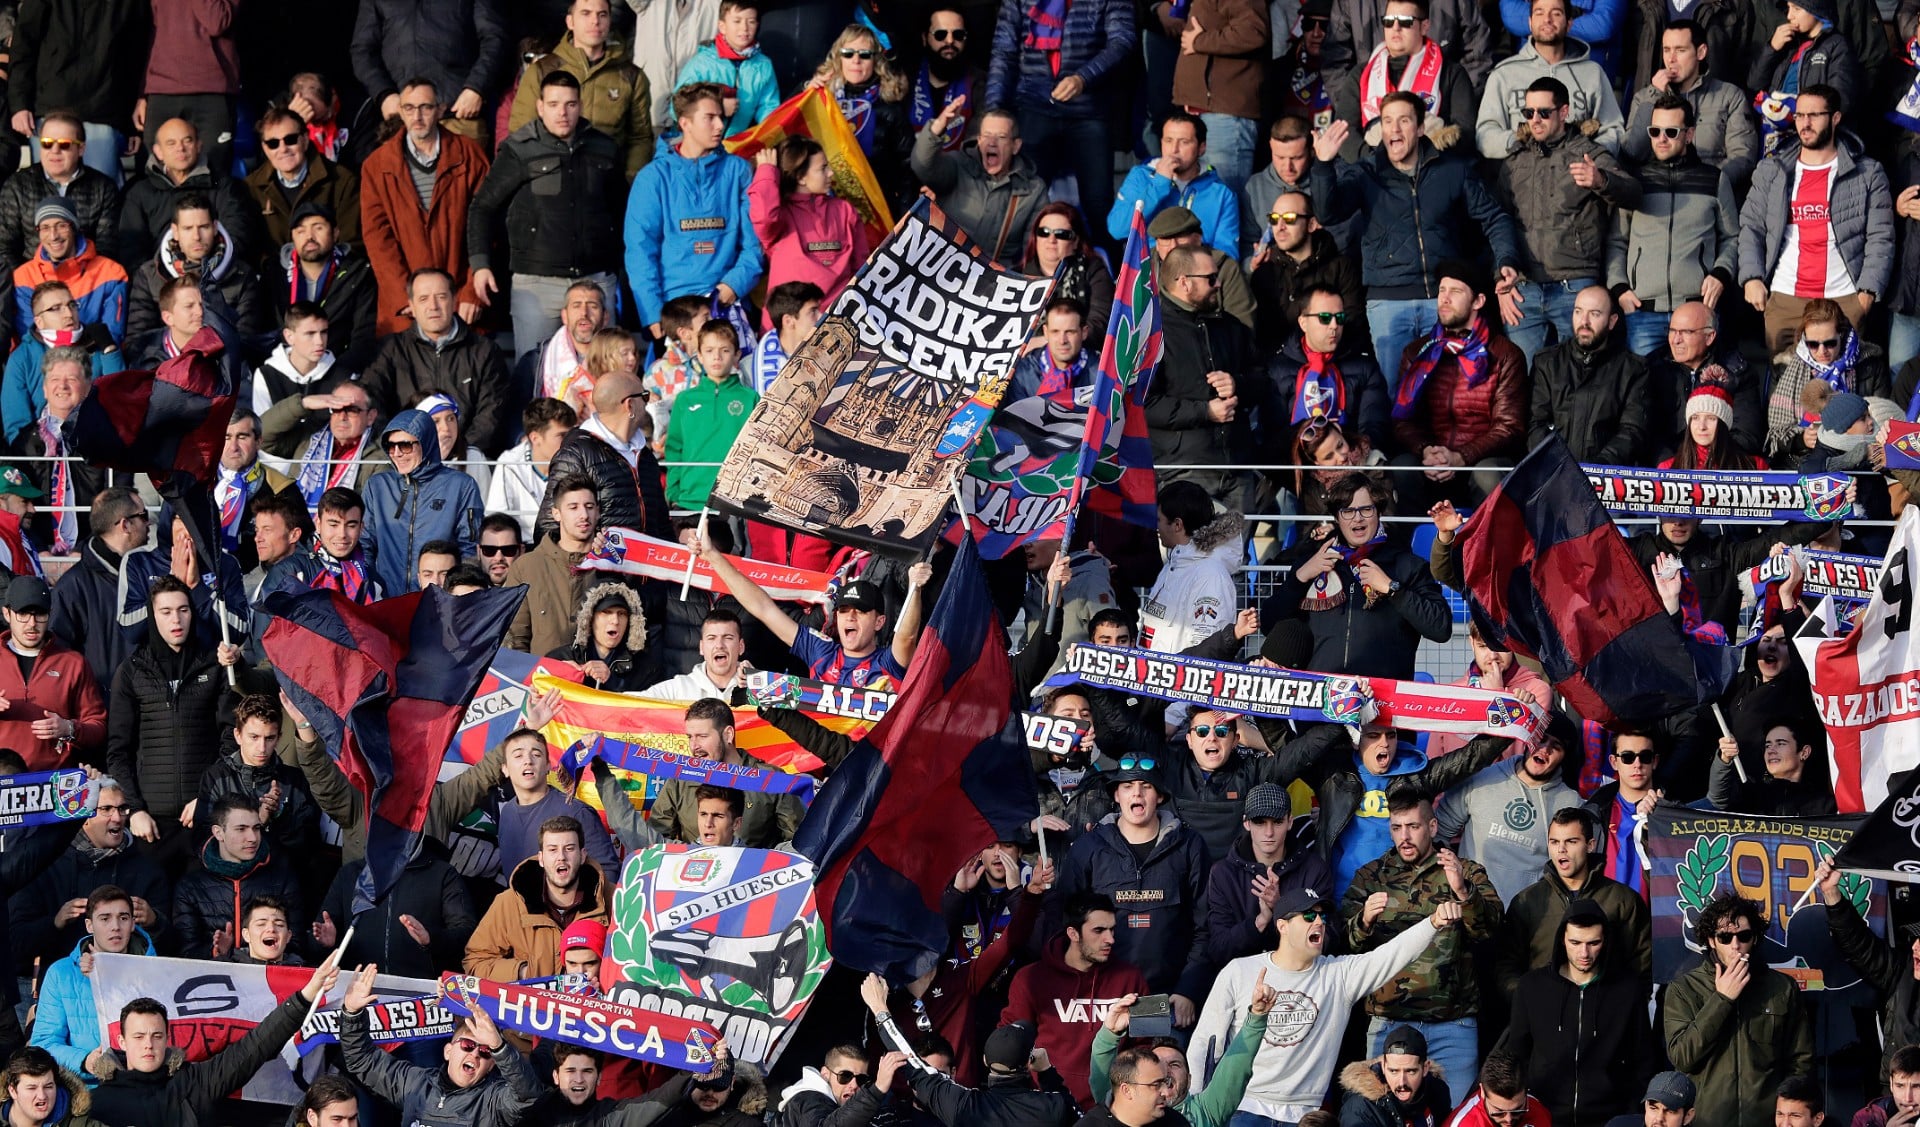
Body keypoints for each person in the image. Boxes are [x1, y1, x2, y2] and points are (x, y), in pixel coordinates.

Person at [1190, 889, 1466, 1127]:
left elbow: (1391, 955)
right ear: (1282, 926)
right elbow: (1205, 1041)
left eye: (1322, 916)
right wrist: (1196, 1107)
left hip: (1304, 1114)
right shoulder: (1239, 971)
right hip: (1243, 1107)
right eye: (1309, 916)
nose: (1319, 922)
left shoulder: (1338, 975)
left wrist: (1432, 923)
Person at [1309, 101, 1524, 381]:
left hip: (1441, 300)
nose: (1394, 129)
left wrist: (1506, 260)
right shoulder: (1366, 172)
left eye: (1404, 121)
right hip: (1388, 304)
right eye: (1386, 121)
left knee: (1446, 393)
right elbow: (1328, 212)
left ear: (1421, 127)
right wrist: (1323, 165)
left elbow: (1495, 218)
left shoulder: (1452, 170)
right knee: (1396, 397)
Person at [1341, 789, 1502, 1093]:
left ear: (1432, 827)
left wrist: (1464, 891)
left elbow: (1490, 932)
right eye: (1397, 828)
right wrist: (1363, 922)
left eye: (1413, 827)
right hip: (1388, 1023)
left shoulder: (1463, 870)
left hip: (1452, 1027)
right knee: (1383, 1116)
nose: (1404, 836)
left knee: (1453, 1118)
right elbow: (1346, 948)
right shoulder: (1371, 876)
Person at [469, 72, 625, 350]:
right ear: (540, 106)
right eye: (553, 105)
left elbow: (622, 212)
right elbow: (482, 208)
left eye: (570, 104)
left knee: (603, 374)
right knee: (533, 372)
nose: (562, 113)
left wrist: (618, 268)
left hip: (596, 281)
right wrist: (480, 265)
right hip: (537, 282)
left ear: (580, 105)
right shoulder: (519, 150)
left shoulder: (604, 148)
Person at [87, 962, 340, 1127]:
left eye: (156, 1036)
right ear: (121, 1041)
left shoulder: (196, 1081)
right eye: (138, 1037)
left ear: (167, 1037)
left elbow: (256, 1045)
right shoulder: (98, 1102)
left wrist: (305, 996)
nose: (148, 1045)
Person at [1738, 86, 1893, 355]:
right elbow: (1751, 225)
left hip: (1844, 297)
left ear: (1835, 118)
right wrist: (1752, 277)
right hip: (1786, 296)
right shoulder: (1772, 169)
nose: (1805, 123)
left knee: (1841, 389)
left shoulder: (1867, 172)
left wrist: (1867, 292)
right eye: (1799, 115)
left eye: (1814, 115)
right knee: (1783, 392)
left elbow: (1881, 236)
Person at [1496, 78, 1641, 364]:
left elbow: (1634, 193)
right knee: (1524, 381)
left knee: (1575, 378)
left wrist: (1601, 180)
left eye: (1543, 113)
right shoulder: (1514, 161)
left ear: (1563, 112)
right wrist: (1499, 280)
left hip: (1574, 286)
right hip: (1522, 289)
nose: (1534, 120)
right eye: (1528, 113)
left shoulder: (1588, 153)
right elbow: (1497, 223)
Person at [1053, 759, 1211, 1018]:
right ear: (1116, 795)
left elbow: (1205, 925)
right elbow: (1066, 925)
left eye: (1145, 786)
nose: (1137, 793)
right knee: (1104, 1059)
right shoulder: (1088, 848)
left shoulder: (1189, 846)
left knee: (1159, 1058)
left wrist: (1188, 990)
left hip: (1165, 997)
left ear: (1159, 796)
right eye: (1127, 786)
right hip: (1100, 997)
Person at [105, 577, 240, 854]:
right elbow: (119, 751)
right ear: (153, 616)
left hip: (205, 817)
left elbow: (231, 739)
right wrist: (135, 810)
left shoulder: (216, 665)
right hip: (151, 824)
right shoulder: (131, 671)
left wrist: (209, 796)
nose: (176, 620)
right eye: (165, 612)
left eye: (183, 610)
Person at [1272, 473, 1451, 679]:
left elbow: (1440, 628)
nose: (1357, 517)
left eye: (1366, 509)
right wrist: (1299, 578)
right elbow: (1270, 624)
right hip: (1321, 696)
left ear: (1379, 512)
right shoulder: (1313, 563)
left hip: (1383, 699)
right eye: (1347, 510)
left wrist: (1392, 589)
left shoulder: (1407, 565)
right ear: (1337, 518)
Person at [623, 83, 763, 342]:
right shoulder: (653, 178)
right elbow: (640, 252)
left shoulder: (738, 171)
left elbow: (755, 243)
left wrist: (732, 286)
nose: (720, 125)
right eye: (709, 118)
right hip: (674, 312)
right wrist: (653, 313)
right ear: (685, 123)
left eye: (721, 117)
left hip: (727, 307)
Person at [1498, 900, 1652, 1127]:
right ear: (1562, 939)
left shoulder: (1627, 990)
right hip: (1543, 1115)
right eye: (1575, 942)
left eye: (1593, 943)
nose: (1584, 953)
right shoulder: (1532, 987)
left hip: (1610, 1117)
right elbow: (1517, 1053)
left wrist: (1630, 1113)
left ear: (1605, 941)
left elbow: (1643, 1059)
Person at [1663, 893, 1812, 1127]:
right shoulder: (1684, 988)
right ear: (1711, 940)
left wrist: (1786, 1116)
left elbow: (1800, 1060)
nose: (1735, 945)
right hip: (1707, 1121)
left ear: (1754, 939)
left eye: (1743, 936)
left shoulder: (1781, 987)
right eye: (1725, 937)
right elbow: (1682, 1057)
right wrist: (1722, 999)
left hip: (1766, 1121)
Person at [702, 536, 929, 688]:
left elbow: (907, 637)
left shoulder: (888, 661)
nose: (849, 617)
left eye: (860, 611)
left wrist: (916, 588)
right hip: (820, 755)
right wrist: (713, 556)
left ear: (879, 622)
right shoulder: (822, 650)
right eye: (843, 610)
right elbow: (763, 608)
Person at [985, 0, 1130, 235]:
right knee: (1024, 202)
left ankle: (1105, 270)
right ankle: (1022, 270)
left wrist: (1083, 78)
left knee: (1098, 207)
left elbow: (1122, 40)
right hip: (1033, 106)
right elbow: (1004, 51)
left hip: (1088, 110)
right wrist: (994, 111)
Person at [359, 79, 491, 335]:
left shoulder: (469, 155)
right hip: (405, 308)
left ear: (441, 109)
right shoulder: (377, 165)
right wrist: (407, 297)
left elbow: (487, 229)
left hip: (461, 302)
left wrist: (471, 292)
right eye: (409, 108)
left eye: (425, 108)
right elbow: (377, 239)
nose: (416, 116)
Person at [338, 962, 543, 1127]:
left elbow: (528, 1096)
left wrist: (499, 1047)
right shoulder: (415, 1084)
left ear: (493, 1065)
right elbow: (361, 1060)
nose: (476, 1054)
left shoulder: (493, 1101)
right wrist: (352, 1013)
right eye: (467, 1045)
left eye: (486, 1052)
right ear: (448, 1051)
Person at [1613, 95, 1741, 354]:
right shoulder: (1634, 182)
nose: (1661, 138)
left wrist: (1720, 274)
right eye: (1655, 131)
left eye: (1671, 132)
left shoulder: (1714, 180)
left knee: (1698, 391)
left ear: (1690, 134)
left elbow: (1733, 237)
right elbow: (1616, 240)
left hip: (1696, 311)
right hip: (1642, 312)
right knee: (1643, 391)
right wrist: (1619, 288)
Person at [7, 778, 170, 974]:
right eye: (106, 809)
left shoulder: (148, 871)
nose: (117, 818)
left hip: (127, 985)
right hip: (63, 985)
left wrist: (155, 922)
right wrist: (55, 923)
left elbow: (171, 948)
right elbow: (15, 943)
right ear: (84, 818)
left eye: (122, 809)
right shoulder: (44, 867)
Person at [1001, 893, 1150, 1108]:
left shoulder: (1132, 979)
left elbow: (1147, 1045)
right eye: (1098, 931)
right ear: (1073, 933)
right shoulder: (1031, 979)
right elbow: (1011, 1042)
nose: (1110, 939)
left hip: (1112, 1108)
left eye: (1112, 929)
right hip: (1047, 1107)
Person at [1495, 808, 1650, 994]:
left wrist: (1619, 1007)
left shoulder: (1623, 899)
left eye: (1571, 841)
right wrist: (1529, 1002)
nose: (1561, 849)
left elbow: (1642, 965)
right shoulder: (1527, 901)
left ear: (1590, 845)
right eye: (1554, 842)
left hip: (1605, 1016)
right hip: (1543, 1017)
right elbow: (1505, 966)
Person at [1149, 244, 1255, 510]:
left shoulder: (1231, 327)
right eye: (1210, 278)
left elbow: (1264, 380)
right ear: (1184, 282)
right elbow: (1144, 405)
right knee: (1192, 553)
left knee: (1235, 554)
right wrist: (1205, 411)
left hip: (1238, 469)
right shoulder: (1153, 334)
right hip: (1184, 472)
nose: (1218, 284)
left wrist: (1237, 383)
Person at [362, 269, 510, 453]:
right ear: (412, 307)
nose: (433, 306)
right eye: (423, 299)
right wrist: (400, 447)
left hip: (466, 459)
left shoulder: (484, 351)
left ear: (454, 300)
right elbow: (371, 403)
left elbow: (491, 414)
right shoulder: (390, 349)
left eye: (441, 297)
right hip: (403, 458)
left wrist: (458, 451)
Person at [1435, 716, 1579, 903]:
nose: (1545, 749)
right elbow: (1439, 834)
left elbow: (1571, 869)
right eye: (1541, 739)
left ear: (1564, 757)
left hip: (1529, 916)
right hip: (1472, 909)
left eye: (1556, 746)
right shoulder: (1481, 778)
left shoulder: (1571, 803)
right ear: (1528, 739)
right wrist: (1454, 889)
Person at [509, 0, 655, 179]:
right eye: (586, 14)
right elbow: (522, 131)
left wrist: (631, 183)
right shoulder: (542, 71)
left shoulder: (632, 76)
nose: (595, 21)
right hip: (552, 182)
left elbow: (640, 139)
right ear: (570, 22)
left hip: (607, 185)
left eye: (602, 15)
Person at [1198, 782, 1334, 973]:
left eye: (1277, 822)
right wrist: (1260, 921)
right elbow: (1218, 949)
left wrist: (1283, 910)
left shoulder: (1314, 869)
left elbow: (1328, 941)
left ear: (1290, 822)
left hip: (1301, 979)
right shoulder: (1223, 873)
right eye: (1260, 822)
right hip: (1243, 981)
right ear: (1246, 823)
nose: (1269, 832)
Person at [29, 886, 154, 1083]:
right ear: (89, 925)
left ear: (132, 923)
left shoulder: (157, 970)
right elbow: (44, 1043)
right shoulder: (60, 974)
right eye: (105, 919)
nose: (115, 926)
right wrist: (85, 1061)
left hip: (147, 1088)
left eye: (123, 918)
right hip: (86, 1089)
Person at [465, 816, 612, 981]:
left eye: (569, 848)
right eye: (552, 849)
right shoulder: (510, 903)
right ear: (541, 858)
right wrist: (524, 973)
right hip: (532, 1005)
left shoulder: (614, 899)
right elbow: (475, 963)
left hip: (595, 1004)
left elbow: (632, 964)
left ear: (583, 855)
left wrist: (603, 978)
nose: (561, 857)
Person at [1476, 0, 1626, 158]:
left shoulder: (1593, 73)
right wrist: (1521, 144)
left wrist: (1588, 154)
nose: (1547, 19)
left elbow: (1613, 130)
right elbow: (1485, 134)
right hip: (1521, 175)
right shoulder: (1504, 74)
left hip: (1576, 174)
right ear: (1530, 22)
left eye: (1556, 13)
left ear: (1569, 24)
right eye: (1539, 13)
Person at [192, 694, 321, 877]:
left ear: (278, 738)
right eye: (254, 737)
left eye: (269, 738)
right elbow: (203, 842)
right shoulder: (216, 777)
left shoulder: (294, 781)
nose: (262, 748)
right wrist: (257, 822)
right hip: (226, 884)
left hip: (278, 885)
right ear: (238, 735)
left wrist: (278, 817)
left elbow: (307, 848)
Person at [1816, 861, 1920, 1087]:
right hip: (1896, 1104)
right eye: (1915, 940)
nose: (1915, 948)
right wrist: (1831, 892)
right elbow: (1860, 947)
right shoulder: (1903, 971)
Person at [1620, 22, 1759, 189]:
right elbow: (1632, 154)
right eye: (1666, 50)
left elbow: (1742, 157)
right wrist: (1654, 95)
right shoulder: (1644, 98)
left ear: (1701, 52)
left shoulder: (1729, 96)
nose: (1671, 59)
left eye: (1680, 50)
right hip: (1656, 194)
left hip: (1708, 195)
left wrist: (1705, 182)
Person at [350, 0, 509, 145]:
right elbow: (362, 51)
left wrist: (476, 88)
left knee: (468, 174)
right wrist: (384, 95)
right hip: (402, 119)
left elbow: (494, 38)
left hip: (458, 115)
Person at [360, 408, 483, 595]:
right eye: (390, 446)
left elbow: (469, 549)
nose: (397, 453)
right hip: (387, 601)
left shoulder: (461, 486)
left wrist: (459, 597)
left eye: (405, 446)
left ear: (426, 442)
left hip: (440, 600)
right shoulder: (377, 486)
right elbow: (365, 545)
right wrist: (369, 591)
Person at [910, 105, 1049, 269]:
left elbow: (1034, 250)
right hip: (939, 270)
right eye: (987, 135)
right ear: (979, 140)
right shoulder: (958, 165)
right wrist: (938, 127)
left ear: (1016, 146)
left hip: (989, 282)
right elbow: (922, 165)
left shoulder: (1033, 190)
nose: (992, 142)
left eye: (1001, 137)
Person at [651, 699, 805, 845]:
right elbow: (656, 841)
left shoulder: (772, 780)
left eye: (702, 737)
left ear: (728, 735)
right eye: (690, 737)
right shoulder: (679, 781)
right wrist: (691, 853)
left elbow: (797, 844)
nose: (694, 746)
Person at [1331, 0, 1477, 155]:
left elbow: (1464, 132)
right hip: (1372, 170)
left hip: (1433, 169)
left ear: (1424, 26)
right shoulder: (1361, 74)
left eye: (1405, 22)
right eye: (1388, 21)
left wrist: (1420, 159)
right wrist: (1376, 161)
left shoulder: (1451, 73)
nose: (1395, 28)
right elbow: (1344, 132)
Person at [536, 371, 668, 540]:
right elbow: (548, 527)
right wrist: (588, 561)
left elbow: (661, 524)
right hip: (597, 566)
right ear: (630, 405)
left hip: (646, 564)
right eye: (645, 396)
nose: (648, 403)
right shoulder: (576, 455)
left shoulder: (645, 456)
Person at [171, 794, 305, 959]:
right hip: (212, 980)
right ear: (218, 833)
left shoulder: (282, 879)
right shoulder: (190, 886)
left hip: (267, 979)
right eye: (241, 829)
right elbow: (184, 954)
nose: (252, 838)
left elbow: (296, 945)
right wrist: (216, 952)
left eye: (256, 828)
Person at [1527, 286, 1650, 464]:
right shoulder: (1546, 362)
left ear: (1612, 321)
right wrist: (1563, 467)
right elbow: (1536, 424)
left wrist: (1597, 468)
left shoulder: (1634, 369)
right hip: (1554, 473)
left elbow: (1632, 431)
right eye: (1578, 312)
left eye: (1595, 314)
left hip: (1606, 479)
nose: (1584, 321)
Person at [114, 118, 260, 268]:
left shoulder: (222, 186)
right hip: (159, 283)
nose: (180, 148)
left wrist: (207, 271)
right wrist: (158, 279)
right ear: (158, 152)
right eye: (171, 143)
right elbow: (131, 249)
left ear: (198, 146)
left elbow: (236, 235)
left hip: (216, 276)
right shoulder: (140, 192)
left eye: (187, 141)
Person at [748, 137, 869, 317]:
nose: (831, 173)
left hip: (838, 322)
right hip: (791, 327)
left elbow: (861, 268)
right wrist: (766, 172)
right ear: (800, 177)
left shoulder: (844, 210)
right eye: (822, 169)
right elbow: (764, 217)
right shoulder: (780, 215)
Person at [125, 196, 265, 344]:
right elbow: (138, 340)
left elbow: (246, 338)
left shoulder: (241, 274)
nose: (196, 236)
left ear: (215, 227)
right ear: (175, 232)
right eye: (187, 228)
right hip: (164, 362)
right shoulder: (149, 275)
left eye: (204, 227)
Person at [1765, 300, 1890, 463]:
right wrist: (1801, 441)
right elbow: (1774, 436)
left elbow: (1884, 421)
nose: (1822, 351)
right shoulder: (1785, 367)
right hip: (1800, 460)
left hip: (1863, 457)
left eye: (1830, 343)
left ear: (1842, 335)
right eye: (1813, 344)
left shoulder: (1870, 365)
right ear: (1804, 339)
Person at [242, 107, 362, 275]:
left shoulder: (342, 181)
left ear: (305, 140)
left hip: (332, 278)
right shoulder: (250, 188)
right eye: (273, 143)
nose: (283, 149)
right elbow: (252, 249)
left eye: (290, 140)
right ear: (264, 148)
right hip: (275, 284)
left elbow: (351, 244)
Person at [0, 577, 104, 770]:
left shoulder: (73, 663)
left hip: (53, 786)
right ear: (7, 613)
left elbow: (98, 727)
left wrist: (69, 728)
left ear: (50, 613)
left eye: (40, 614)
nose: (32, 623)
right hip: (3, 786)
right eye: (23, 613)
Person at [495, 722, 623, 876]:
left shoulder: (575, 812)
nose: (528, 761)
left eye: (536, 754)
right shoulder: (507, 813)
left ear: (548, 765)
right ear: (505, 769)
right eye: (518, 755)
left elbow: (607, 872)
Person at [1268, 286, 1388, 449]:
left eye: (1339, 317)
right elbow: (1273, 433)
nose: (1334, 325)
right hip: (1297, 460)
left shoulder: (1365, 366)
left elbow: (1373, 427)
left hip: (1350, 458)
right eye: (1325, 318)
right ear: (1303, 322)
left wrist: (1348, 451)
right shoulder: (1278, 368)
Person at [1111, 113, 1240, 252]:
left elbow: (1227, 255)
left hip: (1197, 270)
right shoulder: (1140, 177)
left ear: (1201, 148)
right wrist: (1159, 185)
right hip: (1150, 269)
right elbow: (1118, 230)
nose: (1174, 150)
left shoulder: (1222, 194)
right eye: (1168, 140)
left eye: (1184, 142)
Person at [269, 205, 378, 369]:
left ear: (335, 233)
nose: (309, 236)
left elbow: (363, 335)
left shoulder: (358, 274)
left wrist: (339, 373)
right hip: (286, 370)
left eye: (318, 228)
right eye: (300, 231)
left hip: (341, 369)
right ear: (292, 237)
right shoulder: (273, 276)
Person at [665, 319, 756, 511]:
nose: (717, 357)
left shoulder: (751, 398)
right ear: (699, 355)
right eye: (709, 350)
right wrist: (673, 493)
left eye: (725, 350)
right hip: (689, 499)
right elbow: (675, 449)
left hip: (734, 502)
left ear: (736, 355)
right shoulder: (685, 399)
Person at [1749, 0, 1862, 154]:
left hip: (1812, 141)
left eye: (1796, 9)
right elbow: (1754, 84)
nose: (1789, 16)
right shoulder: (1787, 43)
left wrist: (1798, 111)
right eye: (1788, 8)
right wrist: (1772, 49)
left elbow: (1841, 101)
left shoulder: (1836, 46)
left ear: (1816, 9)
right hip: (1775, 139)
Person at [9, 198, 126, 346]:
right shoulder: (23, 277)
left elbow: (112, 335)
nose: (53, 236)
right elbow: (29, 337)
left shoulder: (111, 272)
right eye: (45, 227)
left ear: (74, 228)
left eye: (61, 226)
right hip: (42, 363)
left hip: (95, 361)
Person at [1139, 481, 1239, 655]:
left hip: (1176, 678)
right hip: (1153, 674)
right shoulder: (1174, 564)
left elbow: (1209, 648)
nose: (1156, 527)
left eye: (1159, 520)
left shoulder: (1211, 575)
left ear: (1177, 524)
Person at [507, 473, 602, 655]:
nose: (584, 515)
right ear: (556, 514)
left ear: (598, 512)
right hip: (541, 680)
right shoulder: (527, 567)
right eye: (573, 507)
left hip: (598, 680)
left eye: (589, 507)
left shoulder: (612, 564)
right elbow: (515, 636)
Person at [263, 381, 381, 513]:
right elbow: (262, 437)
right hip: (295, 524)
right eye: (336, 408)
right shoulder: (310, 436)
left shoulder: (381, 454)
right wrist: (303, 403)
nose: (342, 417)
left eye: (352, 410)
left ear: (370, 416)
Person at [672, 0, 780, 135]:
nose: (744, 28)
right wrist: (718, 106)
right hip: (698, 147)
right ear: (722, 26)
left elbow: (768, 106)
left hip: (734, 146)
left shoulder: (763, 65)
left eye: (751, 21)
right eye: (737, 21)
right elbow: (676, 107)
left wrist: (771, 128)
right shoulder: (702, 63)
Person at [489, 399, 576, 541]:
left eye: (572, 434)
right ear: (535, 438)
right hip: (523, 549)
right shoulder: (509, 463)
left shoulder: (580, 460)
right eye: (561, 435)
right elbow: (498, 520)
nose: (571, 442)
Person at [1707, 720, 1836, 814]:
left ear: (1804, 752)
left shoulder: (1824, 805)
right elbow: (1718, 798)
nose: (1771, 750)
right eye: (1768, 745)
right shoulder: (1752, 793)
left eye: (1780, 743)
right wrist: (1724, 758)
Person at [1339, 1024, 1454, 1127]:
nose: (1401, 1082)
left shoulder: (1436, 1091)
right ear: (1383, 1066)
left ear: (1425, 1068)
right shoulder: (1361, 1109)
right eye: (1394, 1071)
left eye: (1410, 1071)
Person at [774, 1045, 892, 1127]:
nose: (854, 1085)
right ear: (825, 1074)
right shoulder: (809, 1099)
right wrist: (876, 1090)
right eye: (845, 1076)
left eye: (861, 1079)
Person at [646, 607, 750, 700]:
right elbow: (633, 706)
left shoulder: (760, 686)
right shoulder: (679, 689)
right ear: (701, 647)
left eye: (728, 638)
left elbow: (766, 711)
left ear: (741, 646)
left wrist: (758, 682)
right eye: (711, 638)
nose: (719, 645)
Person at [747, 281, 824, 395]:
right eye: (813, 311)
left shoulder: (830, 354)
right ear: (788, 321)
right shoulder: (748, 369)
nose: (821, 316)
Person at [1442, 1053, 1550, 1127]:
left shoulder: (1537, 1112)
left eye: (1517, 1111)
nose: (1508, 1119)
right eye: (1499, 1112)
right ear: (1482, 1092)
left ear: (1526, 1093)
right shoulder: (1465, 1123)